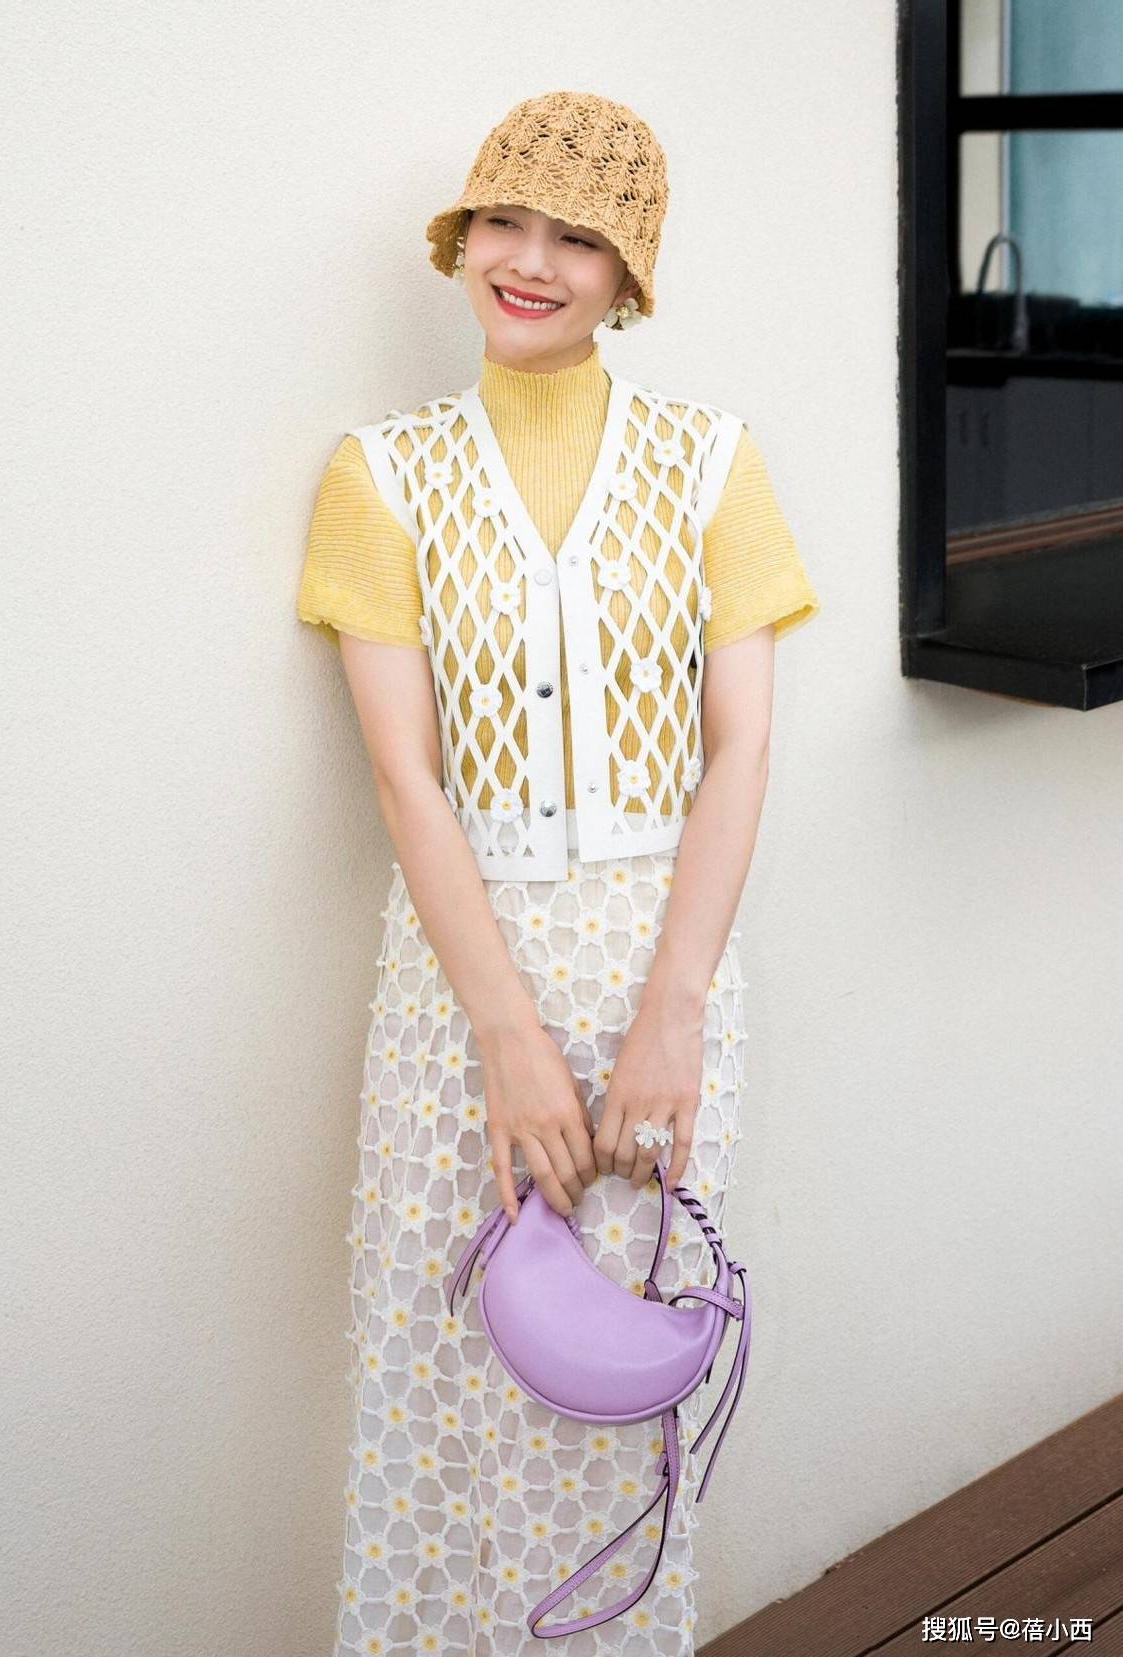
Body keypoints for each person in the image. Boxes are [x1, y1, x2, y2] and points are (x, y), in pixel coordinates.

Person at [297, 89, 820, 1657]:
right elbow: (407, 778)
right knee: (448, 1378)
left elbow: (741, 751)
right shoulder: (380, 477)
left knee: (618, 1390)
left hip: (665, 967)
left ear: (627, 272)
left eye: (578, 238)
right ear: (463, 238)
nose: (532, 262)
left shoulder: (713, 464)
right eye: (505, 223)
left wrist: (676, 1011)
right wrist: (506, 1037)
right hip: (460, 989)